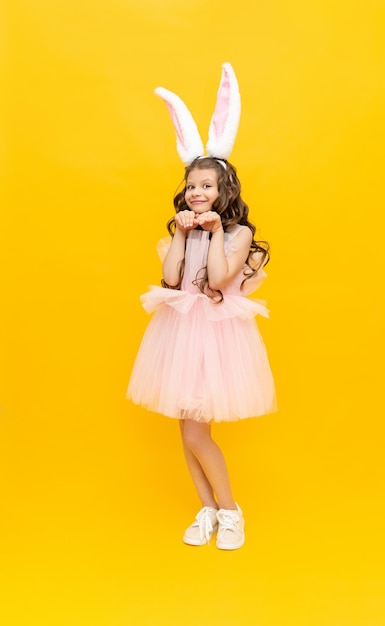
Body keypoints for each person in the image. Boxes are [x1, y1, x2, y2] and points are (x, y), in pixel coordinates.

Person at [127, 64, 276, 550]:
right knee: (185, 432)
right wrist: (182, 232)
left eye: (207, 186)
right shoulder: (184, 227)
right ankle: (208, 510)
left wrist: (212, 233)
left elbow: (218, 279)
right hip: (179, 330)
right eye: (192, 186)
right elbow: (171, 278)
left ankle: (231, 511)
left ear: (225, 191)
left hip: (214, 335)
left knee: (196, 434)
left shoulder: (238, 233)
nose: (197, 193)